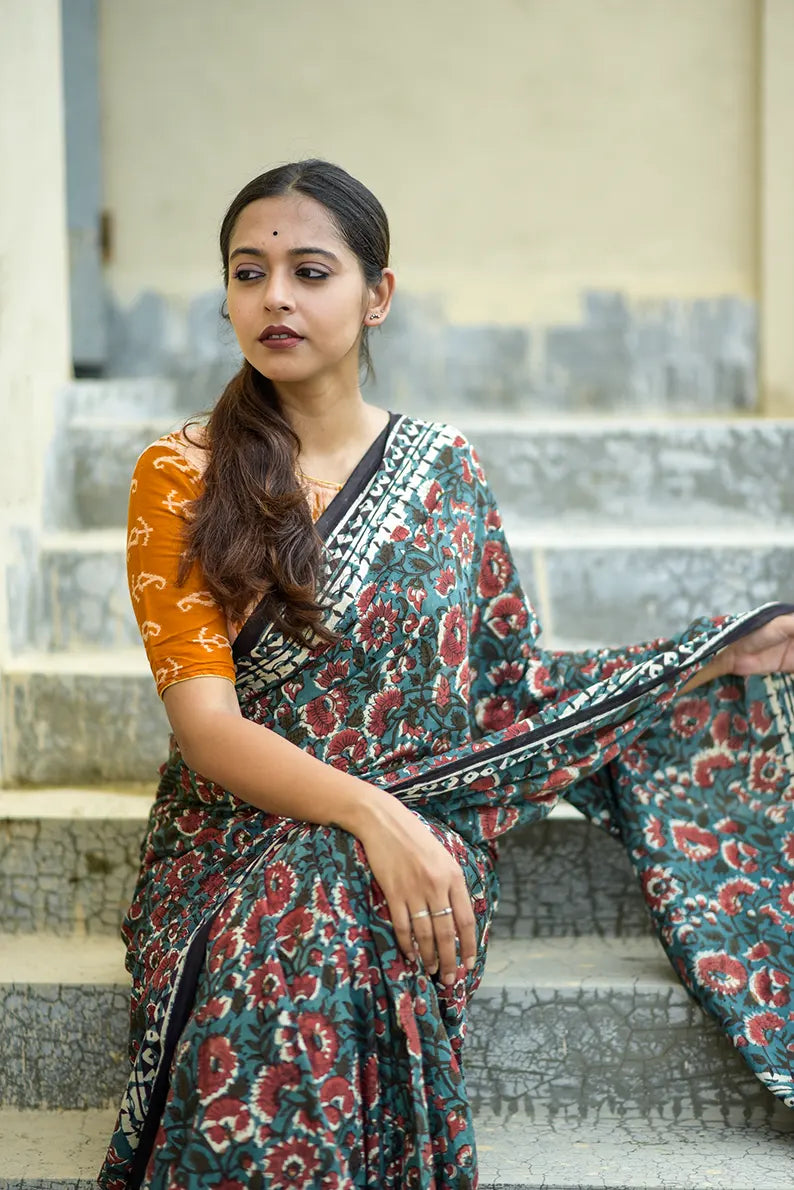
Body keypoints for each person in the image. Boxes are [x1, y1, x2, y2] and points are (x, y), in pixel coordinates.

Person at [99, 159, 794, 1190]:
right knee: (297, 919)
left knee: (332, 909)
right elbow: (207, 728)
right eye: (248, 273)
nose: (275, 297)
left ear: (376, 294)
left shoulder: (444, 469)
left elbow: (504, 692)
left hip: (430, 814)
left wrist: (700, 660)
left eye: (309, 270)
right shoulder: (183, 473)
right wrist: (373, 818)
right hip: (237, 825)